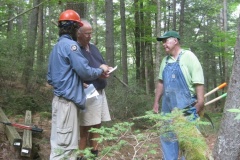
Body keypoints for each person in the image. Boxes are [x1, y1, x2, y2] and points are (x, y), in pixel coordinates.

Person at [47, 10, 109, 160]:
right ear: (74, 28)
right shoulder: (71, 46)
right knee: (66, 149)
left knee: (59, 144)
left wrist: (74, 82)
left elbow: (50, 78)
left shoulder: (57, 47)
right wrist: (100, 70)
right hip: (67, 105)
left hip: (60, 102)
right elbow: (85, 71)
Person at [152, 31, 204, 160]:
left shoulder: (189, 56)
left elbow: (198, 81)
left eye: (166, 41)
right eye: (162, 42)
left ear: (175, 41)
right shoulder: (165, 60)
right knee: (167, 136)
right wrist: (156, 102)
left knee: (188, 140)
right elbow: (161, 82)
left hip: (186, 104)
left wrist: (200, 101)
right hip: (167, 106)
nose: (164, 44)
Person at [77, 20, 111, 159]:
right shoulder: (75, 50)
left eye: (91, 33)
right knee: (85, 128)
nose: (90, 36)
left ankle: (94, 155)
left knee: (97, 125)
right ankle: (80, 156)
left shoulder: (93, 47)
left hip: (100, 91)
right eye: (87, 33)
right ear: (78, 34)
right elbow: (78, 71)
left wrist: (105, 69)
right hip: (88, 93)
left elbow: (100, 63)